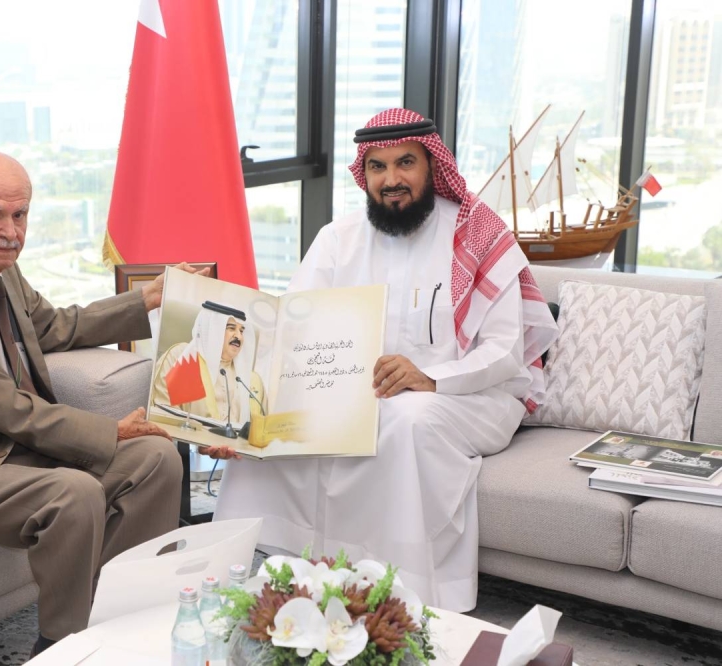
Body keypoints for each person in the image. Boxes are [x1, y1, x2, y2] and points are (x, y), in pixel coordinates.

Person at [0, 150, 232, 657]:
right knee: (74, 493)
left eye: (20, 214)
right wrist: (109, 430)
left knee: (156, 460)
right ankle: (60, 646)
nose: (10, 231)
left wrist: (146, 298)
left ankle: (122, 620)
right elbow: (4, 406)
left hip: (8, 448)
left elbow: (53, 326)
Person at [214, 109, 558, 612]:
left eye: (405, 163)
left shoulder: (477, 235)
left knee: (404, 419)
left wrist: (429, 377)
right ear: (364, 173)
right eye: (377, 166)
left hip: (472, 396)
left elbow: (504, 351)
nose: (391, 179)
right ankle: (269, 572)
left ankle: (403, 594)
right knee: (281, 427)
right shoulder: (339, 239)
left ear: (432, 166)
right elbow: (291, 333)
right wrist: (244, 419)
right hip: (360, 394)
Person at [150, 302, 265, 427]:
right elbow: (164, 412)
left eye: (241, 331)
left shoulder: (251, 380)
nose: (239, 337)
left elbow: (262, 429)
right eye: (231, 328)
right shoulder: (183, 358)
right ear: (213, 329)